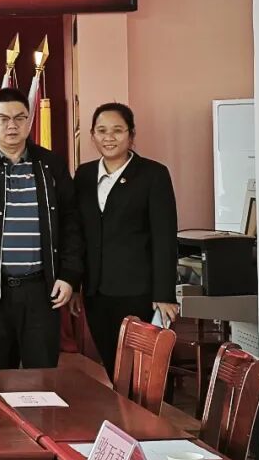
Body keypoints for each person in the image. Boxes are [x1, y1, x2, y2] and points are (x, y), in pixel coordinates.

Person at [0, 88, 84, 370]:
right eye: (4, 118)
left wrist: (69, 275)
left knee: (43, 377)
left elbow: (71, 222)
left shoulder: (51, 165)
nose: (12, 125)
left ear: (29, 121)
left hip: (41, 292)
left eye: (19, 118)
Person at [71, 103, 179, 380]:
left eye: (117, 130)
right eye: (101, 131)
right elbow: (77, 234)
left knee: (142, 371)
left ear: (131, 135)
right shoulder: (84, 175)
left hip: (138, 291)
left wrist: (164, 294)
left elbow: (165, 237)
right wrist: (74, 285)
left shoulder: (153, 174)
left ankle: (143, 411)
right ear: (92, 135)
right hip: (95, 292)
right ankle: (122, 409)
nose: (109, 137)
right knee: (113, 365)